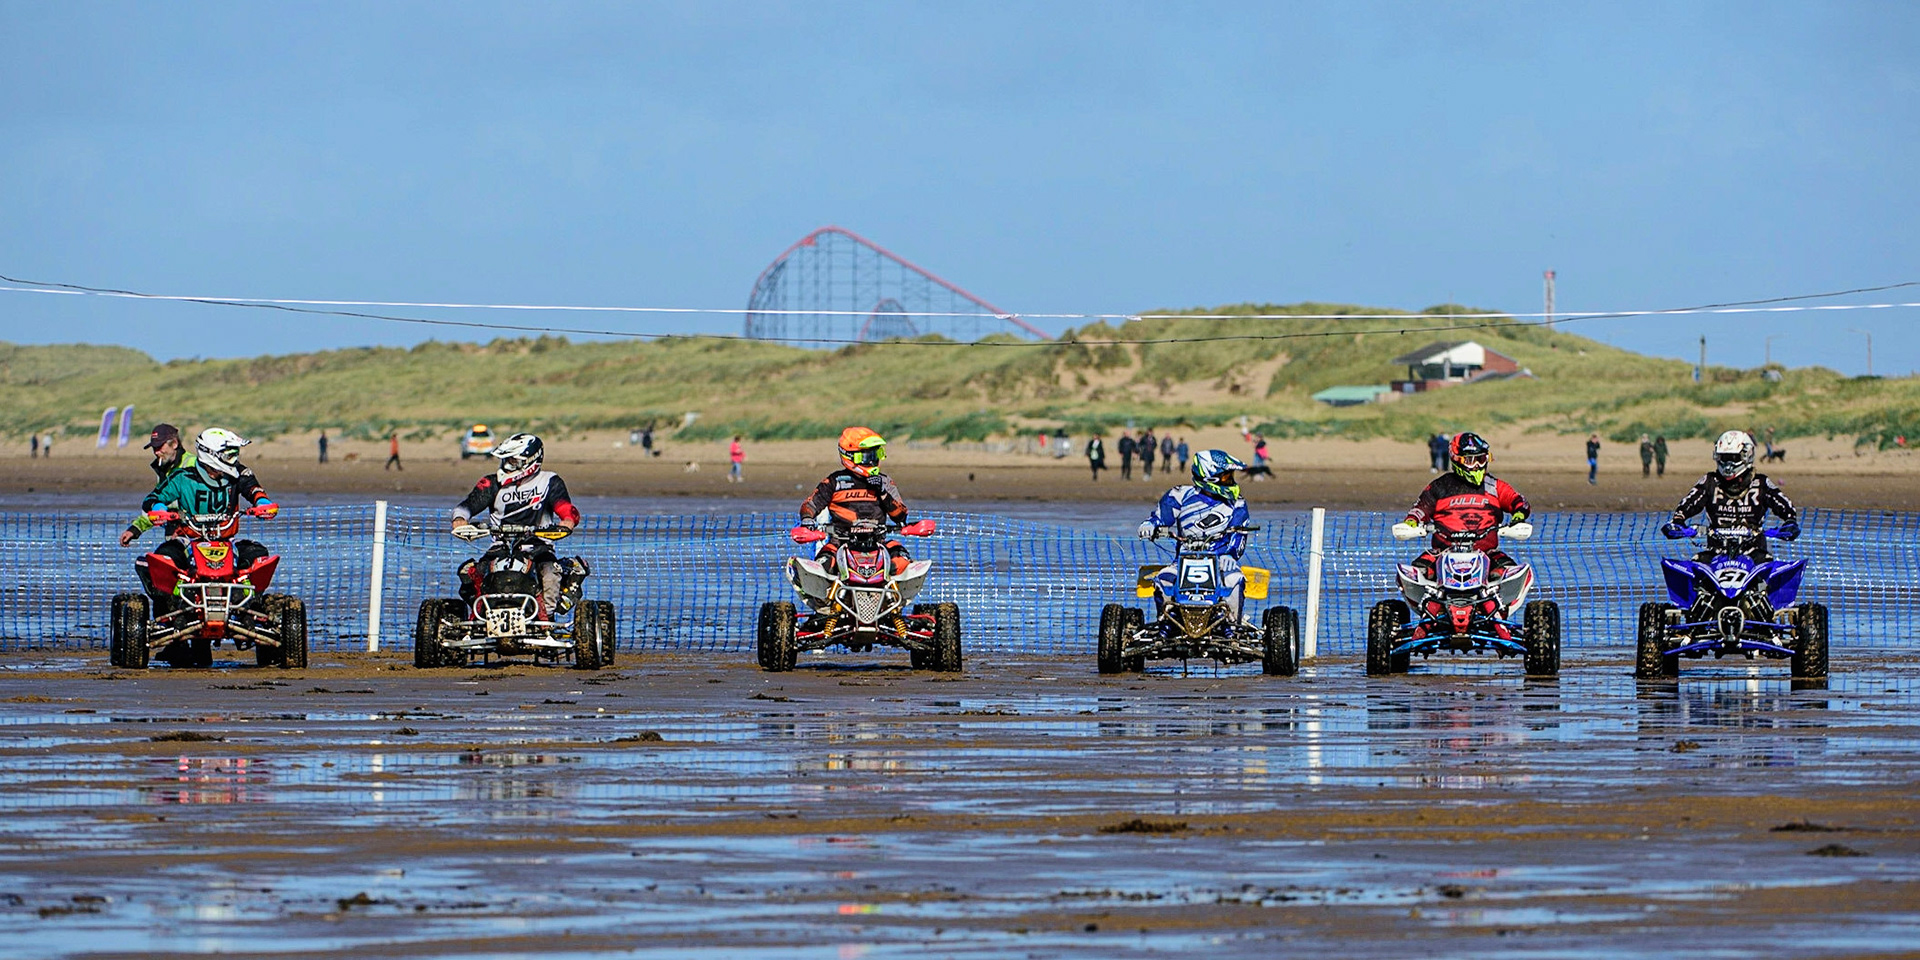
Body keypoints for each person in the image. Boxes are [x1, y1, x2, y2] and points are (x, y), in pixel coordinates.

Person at [120, 429, 278, 611]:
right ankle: (175, 604)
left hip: (227, 541)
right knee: (164, 558)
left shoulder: (238, 473)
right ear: (211, 455)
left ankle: (246, 602)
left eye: (235, 455)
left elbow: (253, 489)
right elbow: (155, 498)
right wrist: (159, 509)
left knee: (258, 555)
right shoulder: (183, 477)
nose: (233, 459)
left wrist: (262, 503)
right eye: (229, 455)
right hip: (189, 540)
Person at [450, 433, 584, 615]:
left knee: (550, 574)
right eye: (506, 460)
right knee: (470, 573)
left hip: (538, 546)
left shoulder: (549, 481)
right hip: (500, 546)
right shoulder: (491, 483)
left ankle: (546, 619)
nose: (507, 465)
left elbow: (565, 508)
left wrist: (567, 521)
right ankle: (479, 615)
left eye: (513, 461)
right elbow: (469, 505)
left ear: (530, 460)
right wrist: (460, 519)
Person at [1394, 432, 1531, 581]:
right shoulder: (1440, 486)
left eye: (1481, 459)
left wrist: (1519, 515)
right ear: (1457, 459)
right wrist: (1412, 521)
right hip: (1441, 553)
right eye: (1471, 460)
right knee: (1414, 575)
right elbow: (1420, 508)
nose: (1478, 465)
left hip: (1487, 554)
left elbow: (1518, 501)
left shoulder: (1494, 486)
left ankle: (1503, 603)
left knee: (1510, 575)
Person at [1137, 450, 1252, 617]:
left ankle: (1233, 626)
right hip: (1182, 563)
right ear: (1209, 477)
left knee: (1235, 580)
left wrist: (1231, 555)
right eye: (1226, 477)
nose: (1230, 481)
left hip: (1221, 563)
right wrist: (1150, 525)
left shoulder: (1237, 503)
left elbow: (1240, 532)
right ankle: (1165, 621)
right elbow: (1161, 517)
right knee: (1163, 580)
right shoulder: (1180, 495)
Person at [1662, 430, 1799, 562]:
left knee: (1766, 563)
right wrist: (1678, 522)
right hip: (1716, 553)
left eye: (1733, 458)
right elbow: (1689, 502)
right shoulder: (1710, 481)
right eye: (1723, 458)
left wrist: (1790, 521)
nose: (1728, 465)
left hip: (1753, 553)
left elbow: (1784, 504)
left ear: (1747, 456)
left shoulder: (1761, 483)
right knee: (1697, 564)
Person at [800, 427, 913, 575]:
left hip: (878, 544)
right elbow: (810, 504)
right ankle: (825, 597)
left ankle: (895, 596)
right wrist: (807, 520)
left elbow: (900, 515)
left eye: (876, 454)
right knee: (823, 564)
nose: (873, 460)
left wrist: (882, 492)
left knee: (903, 561)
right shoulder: (835, 481)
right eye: (867, 456)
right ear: (850, 456)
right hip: (840, 544)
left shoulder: (884, 482)